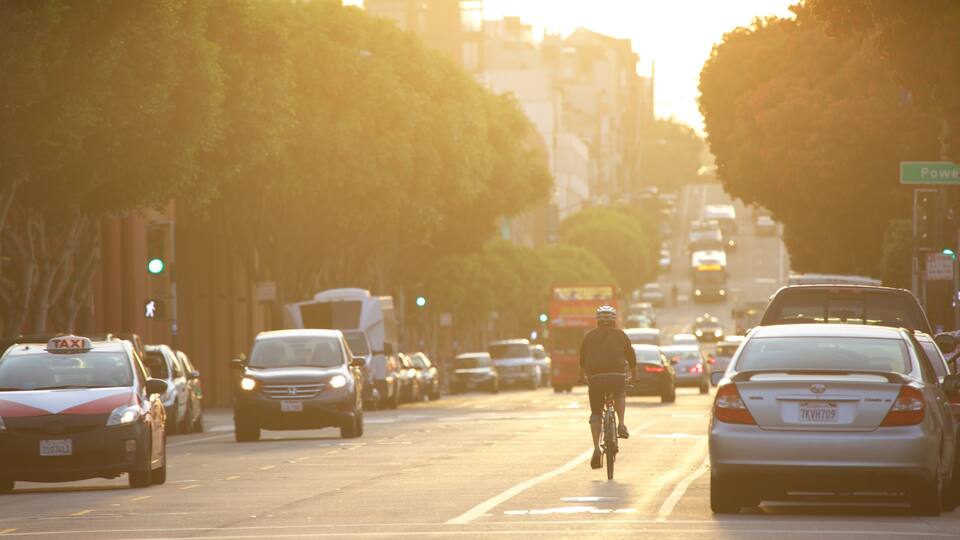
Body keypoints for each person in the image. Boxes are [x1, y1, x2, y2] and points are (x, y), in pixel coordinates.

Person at [580, 305, 638, 469]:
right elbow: (631, 358)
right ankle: (621, 424)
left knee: (596, 413)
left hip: (595, 379)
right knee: (620, 393)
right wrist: (634, 377)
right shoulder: (621, 336)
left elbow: (582, 359)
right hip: (617, 377)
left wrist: (582, 377)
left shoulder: (589, 337)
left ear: (598, 320)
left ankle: (596, 449)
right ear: (614, 320)